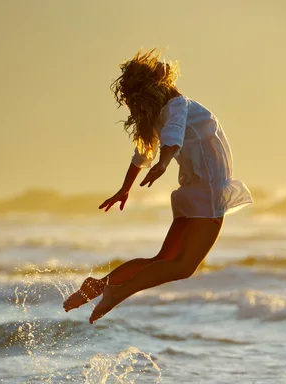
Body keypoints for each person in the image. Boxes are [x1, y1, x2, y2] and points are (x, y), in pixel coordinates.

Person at [62, 49, 253, 324]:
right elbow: (171, 139)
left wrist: (125, 188)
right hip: (208, 189)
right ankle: (117, 293)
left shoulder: (163, 112)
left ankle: (99, 286)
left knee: (163, 258)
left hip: (192, 191)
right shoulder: (177, 105)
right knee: (184, 267)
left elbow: (143, 154)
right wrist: (162, 164)